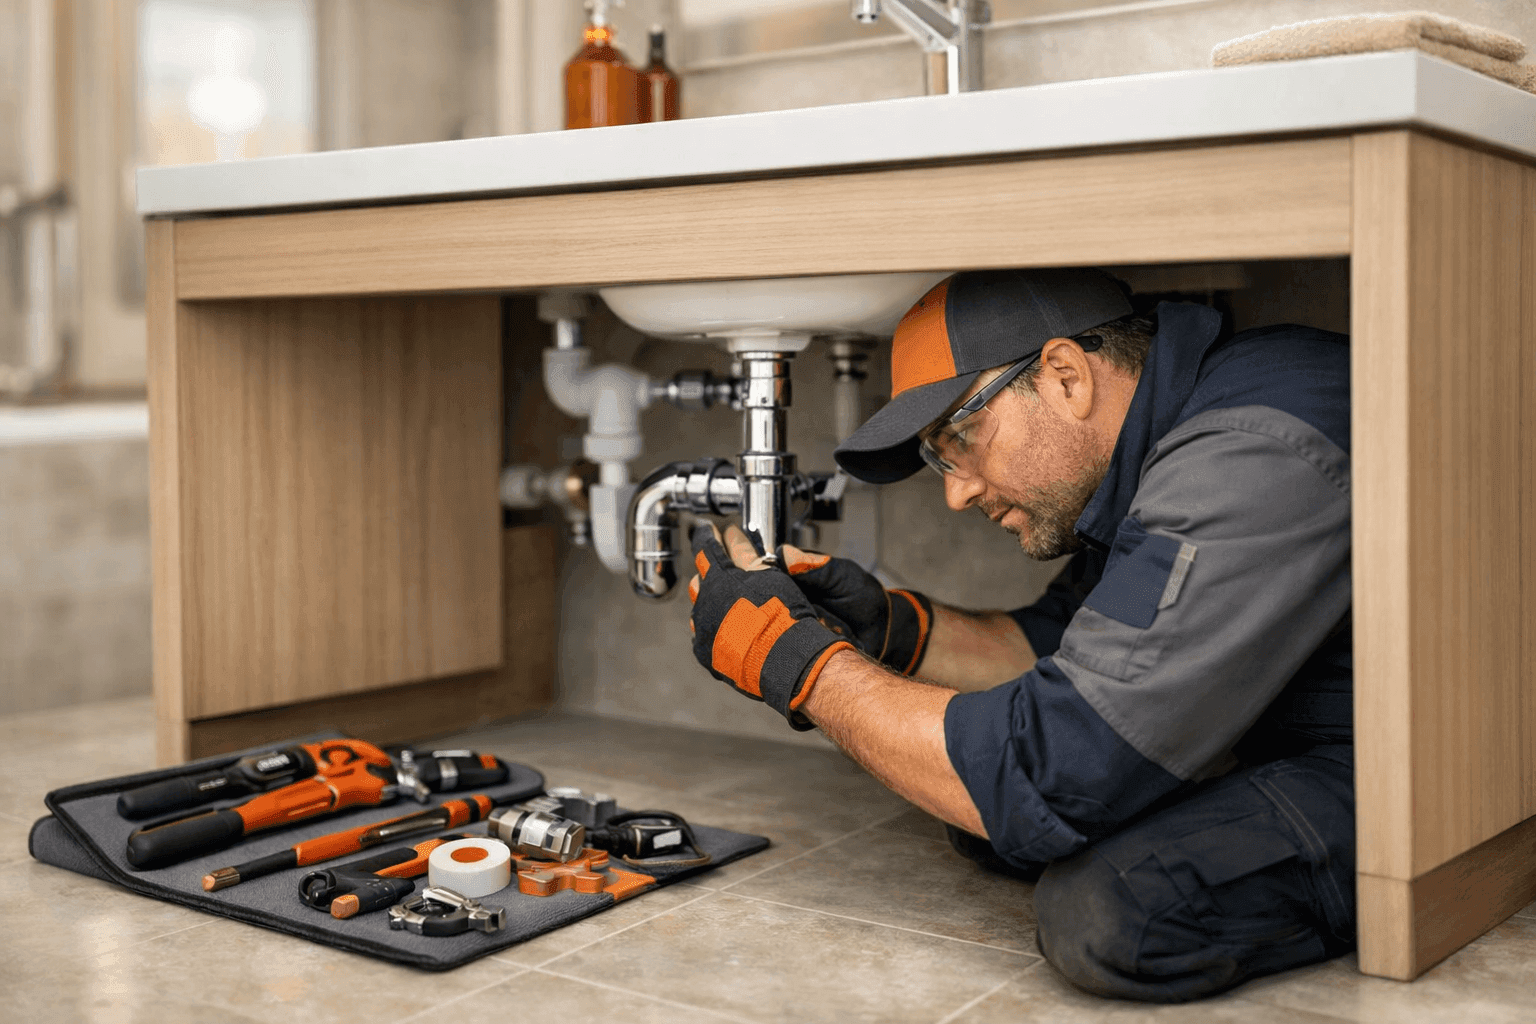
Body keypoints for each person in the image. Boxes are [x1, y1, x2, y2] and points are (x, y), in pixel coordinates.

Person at [686, 267, 1355, 1003]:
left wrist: (798, 665)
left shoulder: (1243, 453)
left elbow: (1050, 771)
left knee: (1116, 909)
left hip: (1410, 768)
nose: (956, 490)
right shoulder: (1165, 430)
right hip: (1289, 734)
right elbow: (1066, 645)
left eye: (959, 439)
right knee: (987, 824)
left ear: (1065, 375)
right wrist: (887, 625)